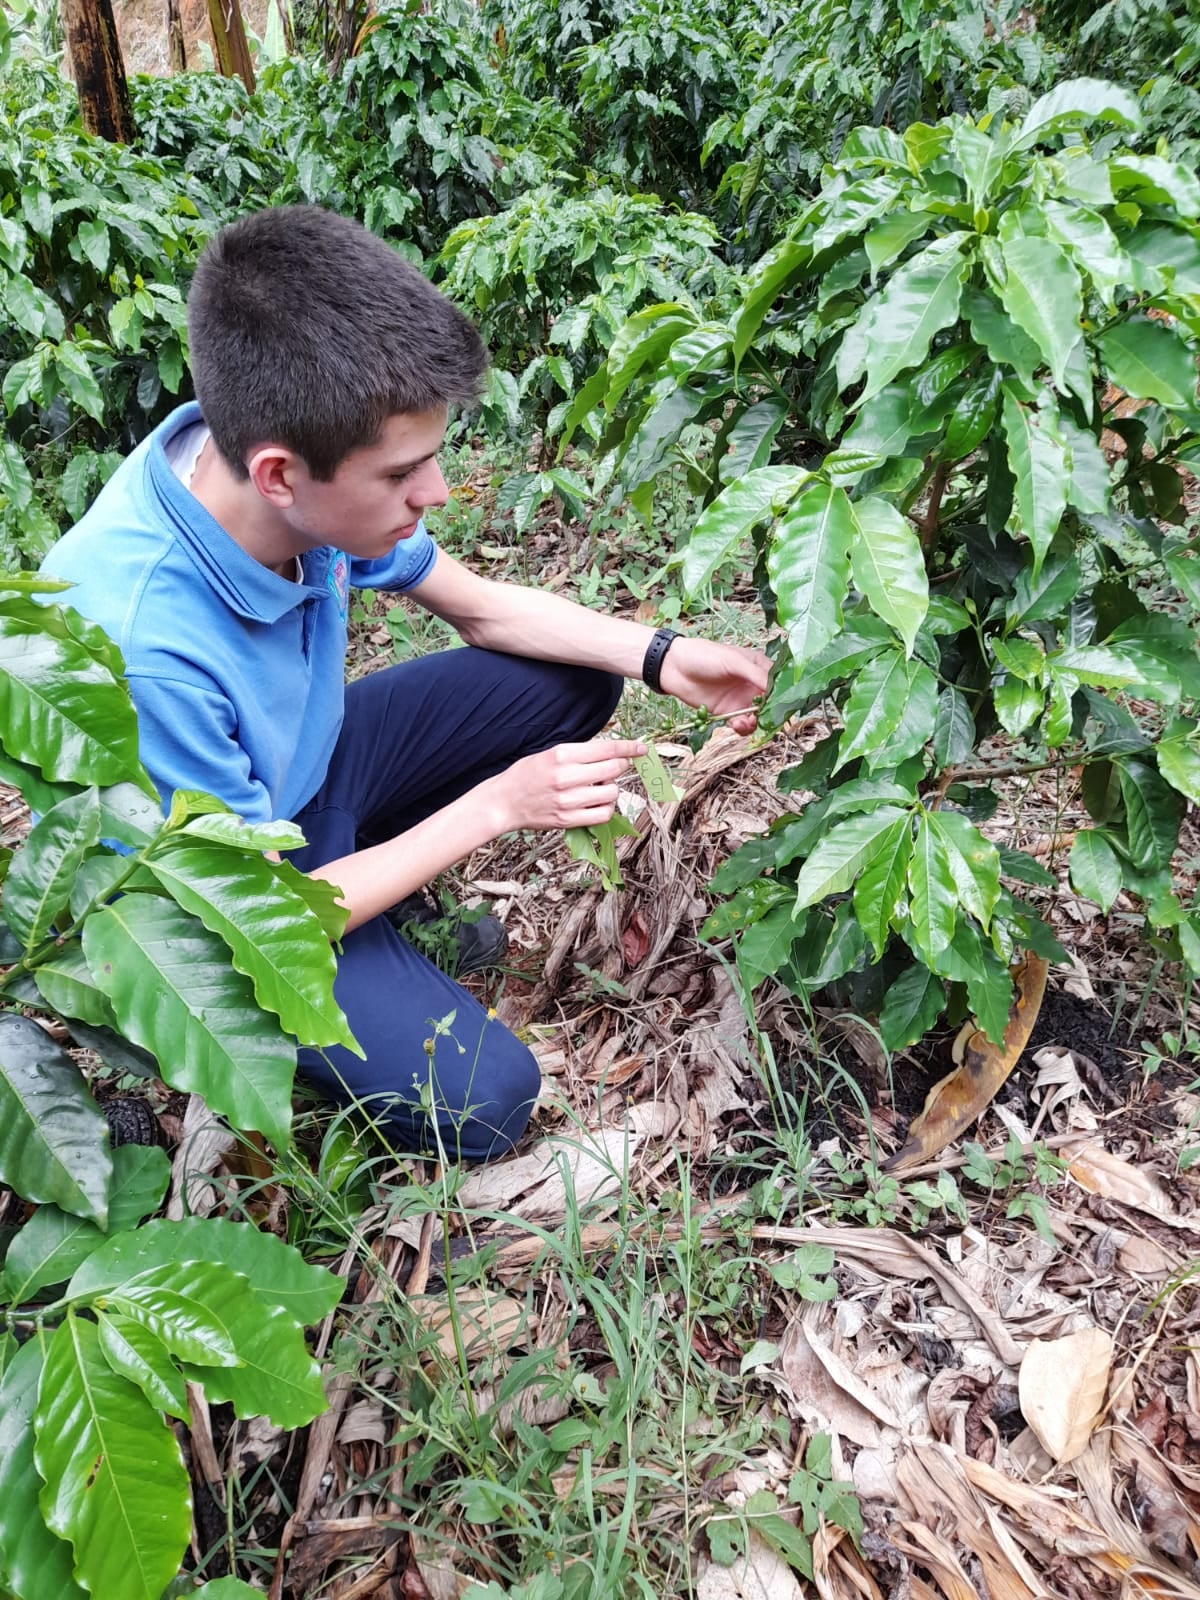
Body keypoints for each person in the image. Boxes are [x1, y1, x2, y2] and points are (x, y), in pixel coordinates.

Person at [42, 205, 769, 1161]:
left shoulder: (280, 481)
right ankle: (360, 954)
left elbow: (478, 606)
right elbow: (255, 911)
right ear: (280, 476)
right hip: (231, 895)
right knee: (486, 1099)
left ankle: (385, 892)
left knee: (569, 681)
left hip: (304, 774)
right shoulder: (141, 646)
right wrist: (495, 807)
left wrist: (660, 655)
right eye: (402, 474)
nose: (433, 495)